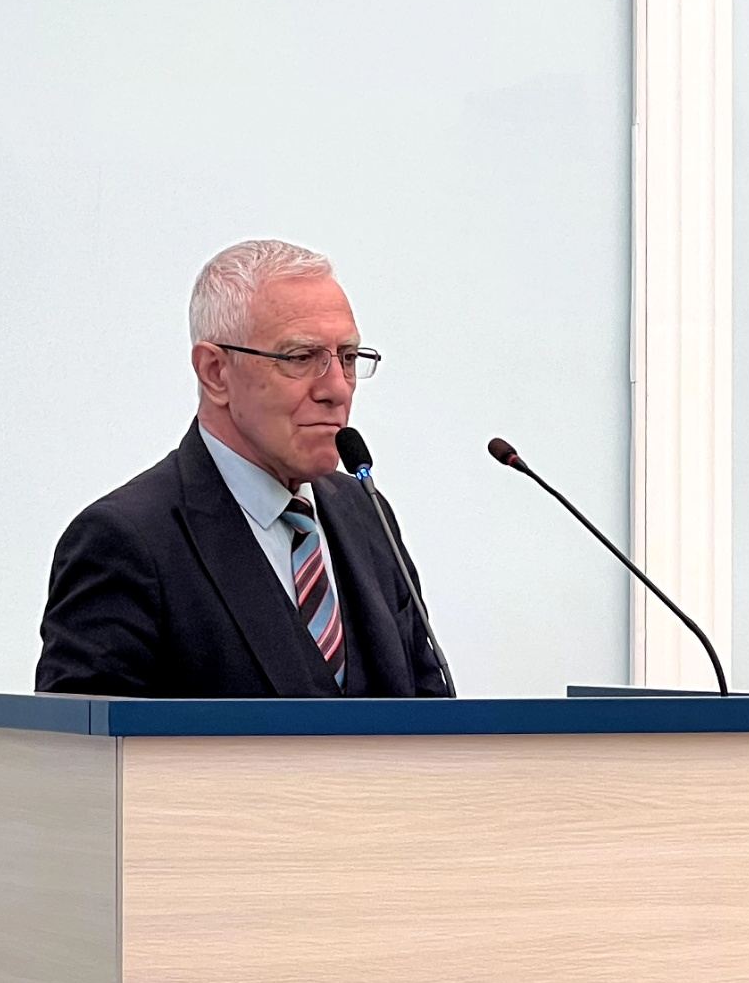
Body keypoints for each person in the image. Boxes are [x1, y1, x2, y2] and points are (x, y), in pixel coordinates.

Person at [35, 239, 450, 698]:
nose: (337, 389)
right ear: (215, 372)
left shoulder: (366, 514)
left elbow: (430, 712)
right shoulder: (126, 541)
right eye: (301, 358)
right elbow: (89, 740)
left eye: (348, 358)